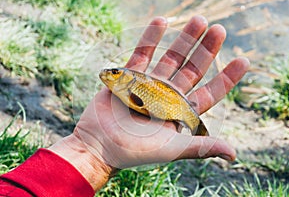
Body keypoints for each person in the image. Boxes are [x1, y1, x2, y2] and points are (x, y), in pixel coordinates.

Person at [0, 16, 249, 196]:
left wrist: (91, 152)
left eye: (115, 73)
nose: (109, 75)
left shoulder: (132, 85)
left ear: (125, 77)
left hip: (172, 108)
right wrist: (92, 150)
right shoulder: (124, 88)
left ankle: (194, 124)